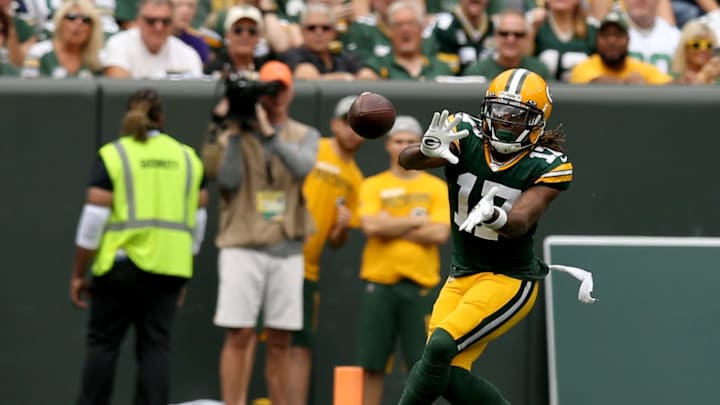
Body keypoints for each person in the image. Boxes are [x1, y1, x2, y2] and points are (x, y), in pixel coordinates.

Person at [395, 68, 595, 405]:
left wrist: (494, 214)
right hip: (462, 274)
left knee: (441, 345)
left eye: (515, 116)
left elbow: (521, 220)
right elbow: (407, 161)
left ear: (536, 122)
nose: (503, 121)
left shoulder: (548, 164)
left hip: (510, 280)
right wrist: (425, 150)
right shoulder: (465, 131)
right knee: (446, 373)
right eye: (499, 110)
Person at [70, 87, 208, 405]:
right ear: (162, 117)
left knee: (103, 345)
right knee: (156, 347)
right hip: (170, 269)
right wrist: (182, 267)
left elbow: (92, 221)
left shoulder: (115, 155)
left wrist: (79, 273)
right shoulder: (188, 158)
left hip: (120, 267)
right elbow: (198, 223)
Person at [202, 60, 320, 405]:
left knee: (281, 338)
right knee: (238, 333)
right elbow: (226, 180)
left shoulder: (305, 134)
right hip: (243, 243)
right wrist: (236, 131)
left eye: (281, 88)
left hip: (286, 245)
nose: (275, 96)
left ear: (291, 90)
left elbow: (300, 169)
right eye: (268, 89)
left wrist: (269, 134)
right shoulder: (233, 133)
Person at [356, 115, 451, 405]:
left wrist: (393, 224)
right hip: (380, 283)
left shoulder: (435, 187)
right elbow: (371, 227)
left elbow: (439, 233)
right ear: (387, 144)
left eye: (411, 141)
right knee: (372, 364)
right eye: (399, 140)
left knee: (421, 365)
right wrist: (414, 222)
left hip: (419, 285)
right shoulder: (373, 185)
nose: (404, 145)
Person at [287, 95, 366, 405]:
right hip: (277, 254)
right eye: (346, 122)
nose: (351, 130)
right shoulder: (311, 148)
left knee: (300, 345)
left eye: (358, 124)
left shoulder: (356, 179)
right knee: (261, 338)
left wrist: (341, 229)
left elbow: (336, 242)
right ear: (334, 124)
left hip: (308, 268)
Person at [103, 0, 203, 79]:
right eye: (151, 21)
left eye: (165, 21)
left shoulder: (187, 54)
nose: (158, 27)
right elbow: (119, 91)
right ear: (139, 21)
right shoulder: (119, 44)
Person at [356, 0, 454, 80]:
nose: (405, 30)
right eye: (398, 25)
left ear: (421, 28)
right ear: (390, 30)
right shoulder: (376, 67)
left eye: (411, 24)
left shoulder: (441, 68)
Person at [568, 9, 673, 84]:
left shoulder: (640, 68)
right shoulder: (583, 67)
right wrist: (627, 83)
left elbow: (667, 85)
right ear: (597, 40)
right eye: (605, 35)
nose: (611, 40)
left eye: (618, 35)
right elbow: (594, 82)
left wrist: (684, 81)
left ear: (628, 40)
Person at [21, 0, 103, 78]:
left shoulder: (97, 60)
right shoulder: (39, 51)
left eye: (86, 20)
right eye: (71, 17)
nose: (78, 23)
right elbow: (27, 87)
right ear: (60, 22)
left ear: (93, 28)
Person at [463, 9, 550, 80]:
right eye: (504, 33)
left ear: (527, 38)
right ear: (495, 36)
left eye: (518, 34)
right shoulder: (477, 73)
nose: (511, 39)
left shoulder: (539, 72)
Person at [671, 18, 720, 84]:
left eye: (708, 45)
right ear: (685, 47)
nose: (703, 49)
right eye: (696, 44)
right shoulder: (672, 78)